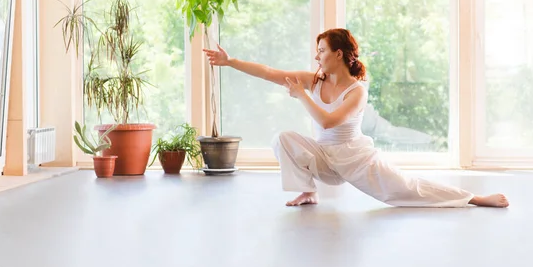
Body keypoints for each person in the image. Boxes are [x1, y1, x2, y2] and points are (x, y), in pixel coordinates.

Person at [203, 28, 509, 208]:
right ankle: (309, 191)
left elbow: (328, 121)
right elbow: (270, 73)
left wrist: (302, 96)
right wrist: (230, 62)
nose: (316, 56)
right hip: (325, 158)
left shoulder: (357, 91)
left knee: (407, 189)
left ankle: (475, 199)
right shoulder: (315, 79)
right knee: (282, 139)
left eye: (321, 50)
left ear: (338, 54)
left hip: (357, 160)